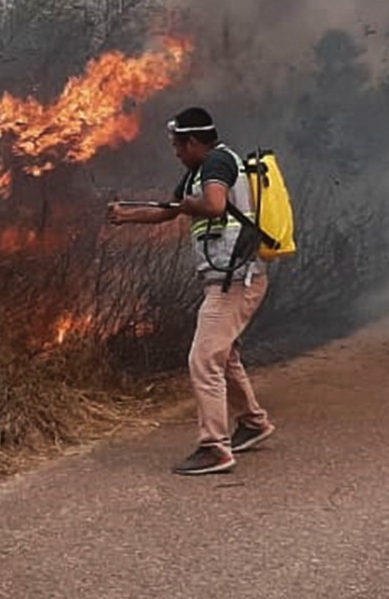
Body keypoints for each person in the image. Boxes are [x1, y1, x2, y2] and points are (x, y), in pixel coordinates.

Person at [107, 107, 275, 475]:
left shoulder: (216, 163)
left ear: (194, 141)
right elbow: (170, 210)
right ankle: (253, 422)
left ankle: (214, 447)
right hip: (229, 278)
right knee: (224, 356)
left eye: (178, 146)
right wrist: (127, 215)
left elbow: (213, 205)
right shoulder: (198, 173)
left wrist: (188, 205)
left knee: (203, 359)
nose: (176, 153)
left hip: (235, 280)